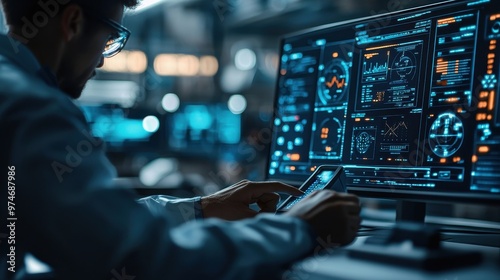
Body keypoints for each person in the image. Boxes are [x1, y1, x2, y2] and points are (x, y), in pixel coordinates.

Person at [0, 0, 361, 279]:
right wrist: (296, 229)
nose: (103, 61)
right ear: (73, 23)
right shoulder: (33, 111)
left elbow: (88, 229)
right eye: (110, 38)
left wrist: (201, 208)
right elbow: (141, 258)